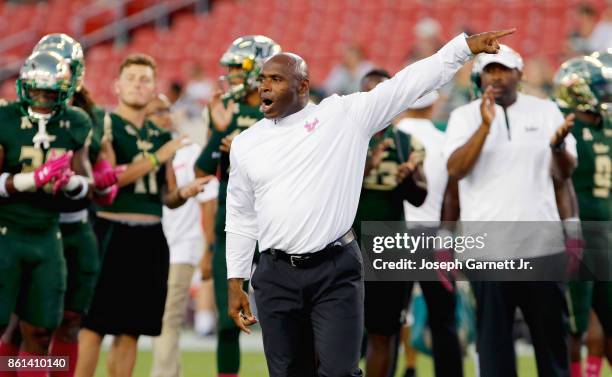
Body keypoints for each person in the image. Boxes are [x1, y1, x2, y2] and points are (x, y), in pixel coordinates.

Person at [225, 29, 515, 376]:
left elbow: (407, 84)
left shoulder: (343, 116)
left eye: (275, 79)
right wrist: (235, 279)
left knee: (340, 372)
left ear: (302, 87)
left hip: (334, 268)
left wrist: (463, 48)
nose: (265, 87)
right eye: (262, 79)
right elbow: (241, 215)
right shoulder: (246, 143)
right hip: (275, 274)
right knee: (288, 372)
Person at [444, 44, 577, 377]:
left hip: (542, 248)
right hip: (488, 251)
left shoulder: (546, 110)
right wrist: (484, 127)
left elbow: (564, 175)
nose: (497, 76)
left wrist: (558, 147)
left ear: (520, 73)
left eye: (504, 69)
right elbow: (456, 171)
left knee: (551, 345)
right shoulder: (464, 116)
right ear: (479, 76)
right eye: (490, 70)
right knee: (494, 349)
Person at [76, 54, 210, 377]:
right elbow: (108, 179)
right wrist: (155, 158)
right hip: (109, 231)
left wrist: (184, 193)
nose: (138, 84)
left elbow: (167, 195)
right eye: (132, 78)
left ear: (153, 88)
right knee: (93, 325)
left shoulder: (159, 135)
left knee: (131, 329)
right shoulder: (104, 125)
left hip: (150, 236)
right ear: (117, 86)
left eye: (145, 79)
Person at [0, 51, 93, 374]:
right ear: (24, 87)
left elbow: (86, 184)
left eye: (50, 92)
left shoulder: (75, 122)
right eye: (37, 91)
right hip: (6, 233)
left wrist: (70, 184)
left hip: (47, 235)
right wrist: (31, 180)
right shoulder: (6, 118)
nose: (42, 99)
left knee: (41, 331)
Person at [194, 35, 280, 377]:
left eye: (237, 67)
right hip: (232, 221)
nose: (230, 74)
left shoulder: (286, 112)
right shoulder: (225, 112)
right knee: (228, 321)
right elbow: (203, 168)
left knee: (283, 317)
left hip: (277, 223)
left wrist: (247, 148)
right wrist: (218, 134)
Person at [353, 69, 428, 377]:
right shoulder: (345, 136)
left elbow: (420, 197)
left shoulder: (406, 142)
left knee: (382, 331)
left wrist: (408, 179)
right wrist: (363, 166)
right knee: (331, 330)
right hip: (344, 242)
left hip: (389, 245)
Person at [148, 94, 219, 377]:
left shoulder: (189, 151)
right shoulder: (144, 151)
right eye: (157, 111)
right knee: (159, 320)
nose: (165, 115)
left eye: (167, 109)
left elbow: (209, 202)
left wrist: (207, 250)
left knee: (167, 319)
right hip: (150, 244)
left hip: (182, 245)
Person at [553, 55, 612, 377]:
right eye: (601, 88)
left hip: (595, 232)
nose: (606, 94)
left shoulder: (601, 123)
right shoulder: (564, 120)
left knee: (593, 321)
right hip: (581, 232)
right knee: (577, 323)